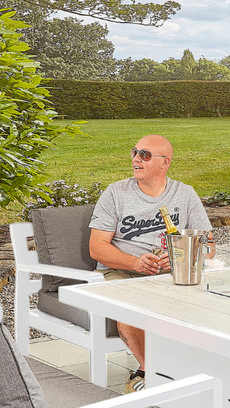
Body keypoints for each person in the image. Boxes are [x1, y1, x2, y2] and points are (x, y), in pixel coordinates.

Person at [89, 134, 212, 393]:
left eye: (144, 155)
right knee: (129, 307)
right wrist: (135, 263)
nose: (136, 159)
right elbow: (96, 247)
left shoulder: (185, 194)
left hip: (170, 272)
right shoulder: (116, 193)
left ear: (164, 163)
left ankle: (195, 367)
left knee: (212, 301)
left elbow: (208, 246)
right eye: (134, 152)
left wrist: (182, 255)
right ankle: (150, 371)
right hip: (123, 271)